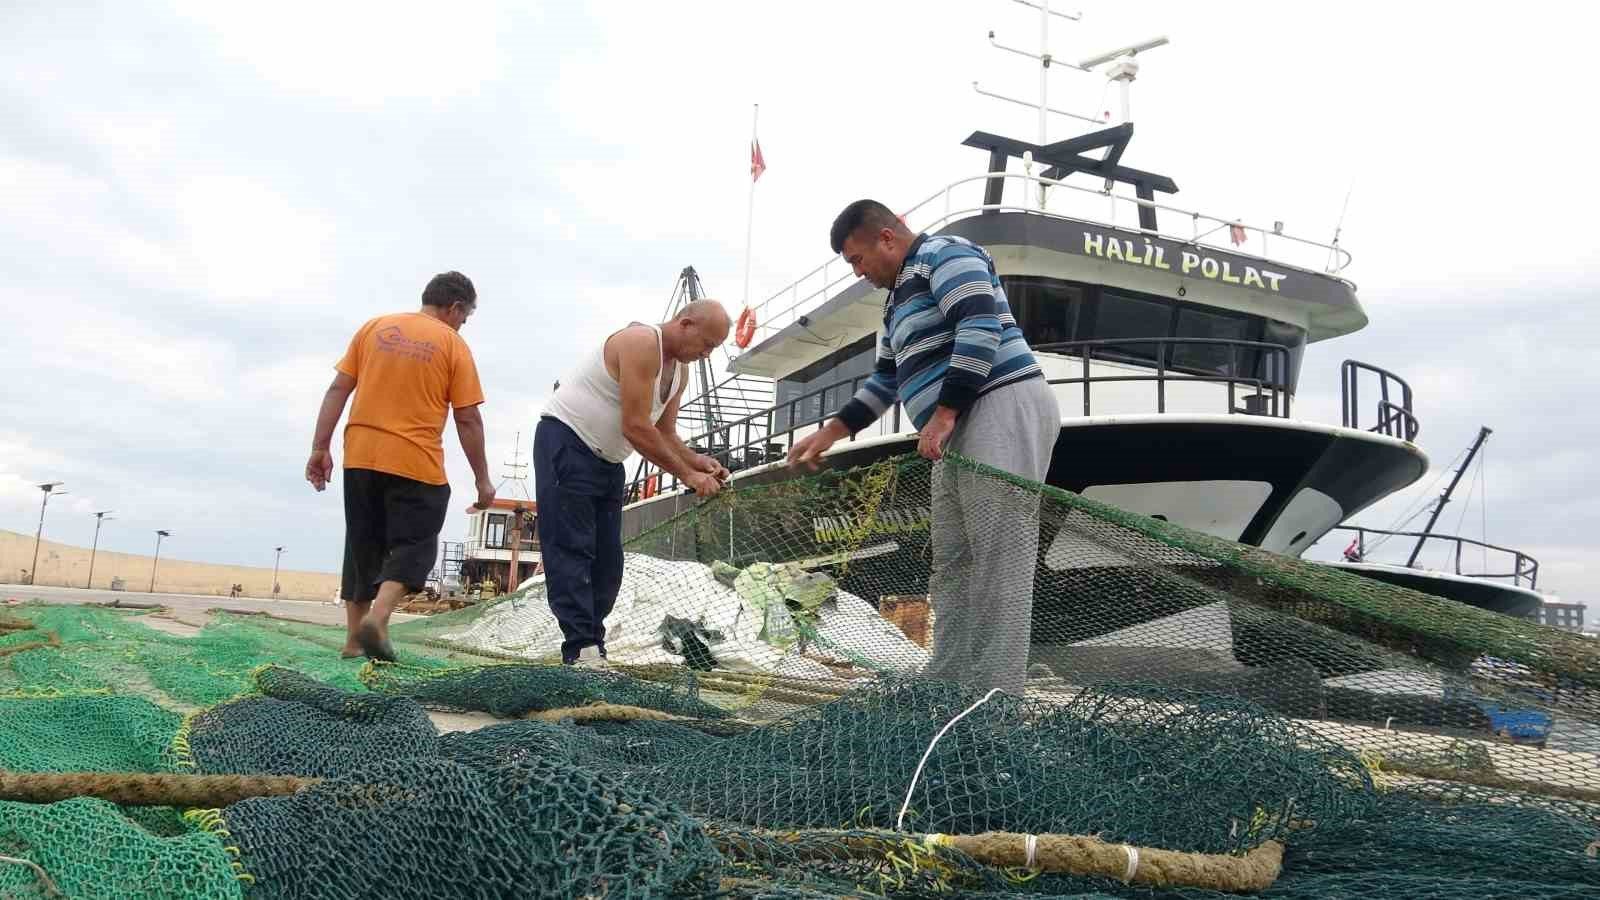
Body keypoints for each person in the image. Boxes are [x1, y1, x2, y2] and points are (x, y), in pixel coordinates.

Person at [788, 200, 1060, 695]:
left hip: (995, 402)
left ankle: (996, 700)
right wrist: (830, 433)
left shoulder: (945, 253)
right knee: (953, 560)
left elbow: (980, 324)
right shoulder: (894, 304)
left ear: (887, 238)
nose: (859, 272)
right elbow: (886, 379)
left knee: (1000, 556)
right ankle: (948, 682)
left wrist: (945, 411)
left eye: (857, 259)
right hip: (952, 426)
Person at [305, 271, 495, 662]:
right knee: (416, 543)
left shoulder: (374, 328)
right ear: (455, 307)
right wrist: (482, 479)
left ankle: (353, 640)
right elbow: (468, 419)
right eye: (465, 317)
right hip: (415, 460)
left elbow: (338, 388)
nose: (463, 325)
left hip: (360, 455)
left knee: (361, 546)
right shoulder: (452, 345)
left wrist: (319, 448)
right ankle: (378, 617)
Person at [536, 300, 732, 666]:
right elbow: (636, 426)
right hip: (567, 441)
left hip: (608, 461)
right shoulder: (641, 342)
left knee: (608, 562)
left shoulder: (681, 373)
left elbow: (665, 433)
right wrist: (687, 476)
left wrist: (697, 461)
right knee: (572, 549)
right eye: (706, 344)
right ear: (685, 323)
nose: (706, 355)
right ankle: (580, 649)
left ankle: (593, 644)